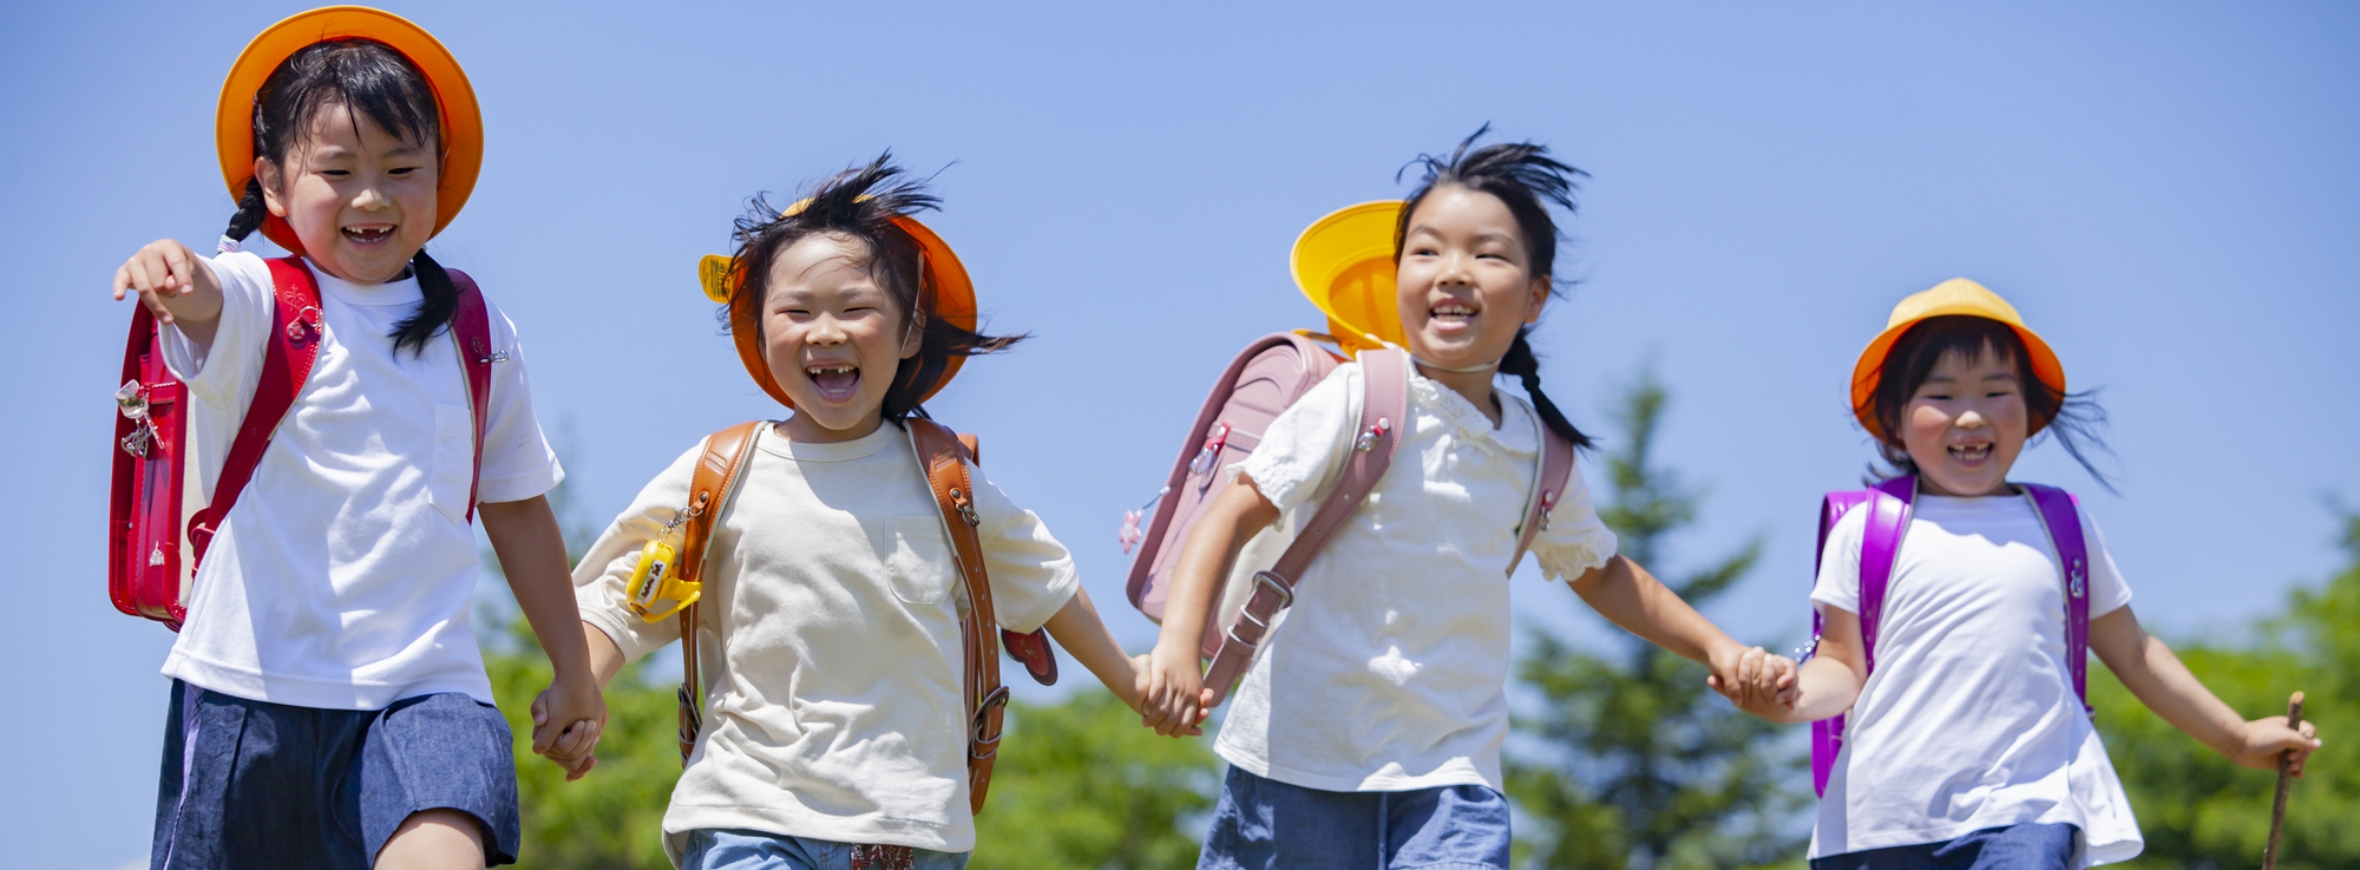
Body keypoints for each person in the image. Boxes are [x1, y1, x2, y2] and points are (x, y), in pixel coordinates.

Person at [1138, 130, 1779, 870]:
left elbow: (1600, 572)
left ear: (1536, 296)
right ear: (1397, 275)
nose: (1454, 272)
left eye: (1489, 254)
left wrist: (1720, 648)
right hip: (1298, 763)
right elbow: (1233, 511)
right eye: (1428, 251)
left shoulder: (1539, 455)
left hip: (1453, 781)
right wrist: (1178, 649)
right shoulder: (1363, 395)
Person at [108, 8, 601, 868]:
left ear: (441, 176)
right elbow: (207, 301)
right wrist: (172, 272)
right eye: (337, 170)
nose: (371, 197)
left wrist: (573, 668)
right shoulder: (264, 299)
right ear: (271, 182)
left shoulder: (478, 329)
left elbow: (517, 510)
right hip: (249, 689)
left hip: (426, 691)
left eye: (401, 168)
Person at [560, 155, 1149, 870]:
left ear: (908, 335)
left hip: (909, 830)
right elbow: (625, 596)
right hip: (749, 811)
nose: (826, 331)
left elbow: (1048, 584)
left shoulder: (946, 483)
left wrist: (1136, 684)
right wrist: (578, 686)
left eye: (856, 309)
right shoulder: (721, 471)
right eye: (798, 311)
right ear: (758, 326)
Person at [1732, 279, 2324, 869]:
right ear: (1894, 416)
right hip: (1878, 826)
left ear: (2031, 411)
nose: (1971, 414)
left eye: (1996, 392)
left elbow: (2136, 655)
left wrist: (2238, 738)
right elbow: (1842, 667)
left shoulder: (2060, 524)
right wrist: (1787, 698)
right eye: (1942, 394)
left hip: (2026, 811)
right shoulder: (1866, 530)